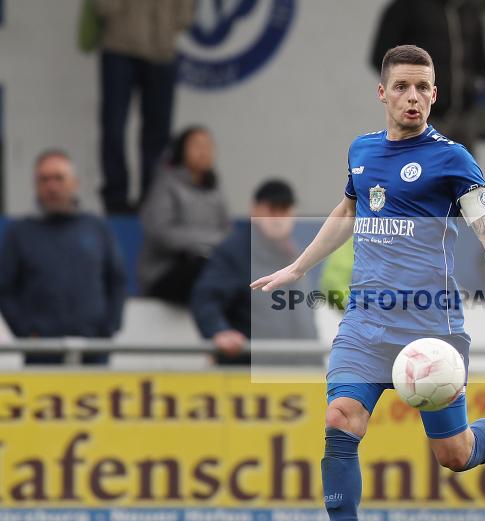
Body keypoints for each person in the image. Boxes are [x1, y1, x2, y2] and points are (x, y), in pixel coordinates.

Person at [250, 45, 485, 521]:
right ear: (382, 92)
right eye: (402, 87)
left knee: (455, 454)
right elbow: (348, 210)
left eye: (423, 87)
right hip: (365, 325)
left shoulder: (452, 159)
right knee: (340, 418)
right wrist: (297, 269)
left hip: (431, 331)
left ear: (435, 94)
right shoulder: (362, 151)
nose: (413, 97)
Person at [0, 149, 126, 365]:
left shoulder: (96, 228)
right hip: (42, 354)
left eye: (59, 178)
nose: (51, 186)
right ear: (36, 186)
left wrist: (108, 329)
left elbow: (117, 281)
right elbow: (4, 290)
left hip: (93, 351)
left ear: (75, 183)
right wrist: (26, 333)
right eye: (44, 180)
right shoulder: (19, 233)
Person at [191, 179, 319, 365]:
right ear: (255, 209)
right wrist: (218, 331)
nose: (278, 219)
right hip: (246, 374)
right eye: (272, 210)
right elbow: (205, 297)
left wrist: (314, 366)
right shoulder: (234, 251)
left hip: (294, 374)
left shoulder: (296, 256)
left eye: (284, 210)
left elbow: (304, 321)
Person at [96, 0, 196, 214]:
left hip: (162, 48)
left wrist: (176, 20)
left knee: (158, 132)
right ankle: (115, 198)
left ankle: (153, 198)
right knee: (113, 126)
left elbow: (185, 12)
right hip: (118, 46)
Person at [369, 0, 485, 150]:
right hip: (423, 117)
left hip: (465, 116)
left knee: (463, 172)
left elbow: (481, 61)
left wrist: (476, 85)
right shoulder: (407, 7)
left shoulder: (469, 10)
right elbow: (382, 58)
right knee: (419, 170)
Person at [138, 126, 231, 305]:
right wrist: (209, 241)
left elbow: (227, 234)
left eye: (208, 146)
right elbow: (162, 233)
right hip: (166, 273)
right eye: (197, 145)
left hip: (205, 267)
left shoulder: (215, 190)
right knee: (201, 270)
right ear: (181, 150)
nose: (203, 151)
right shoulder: (166, 183)